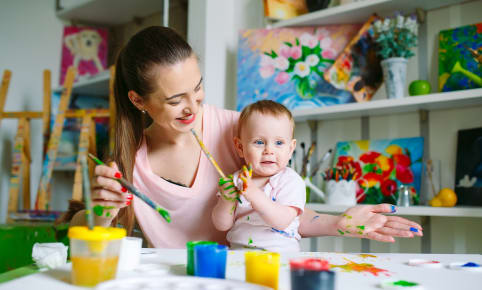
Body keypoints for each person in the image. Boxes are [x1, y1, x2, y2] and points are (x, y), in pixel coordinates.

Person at [70, 26, 423, 248]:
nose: (193, 108)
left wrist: (340, 223)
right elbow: (76, 234)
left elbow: (279, 214)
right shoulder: (128, 159)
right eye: (176, 101)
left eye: (198, 89)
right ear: (138, 100)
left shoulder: (240, 130)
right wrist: (101, 211)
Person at [212, 100, 305, 251]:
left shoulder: (290, 181)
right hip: (238, 254)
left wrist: (253, 193)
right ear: (240, 147)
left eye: (279, 143)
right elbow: (222, 225)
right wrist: (226, 200)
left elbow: (281, 221)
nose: (269, 150)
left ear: (291, 148)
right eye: (259, 142)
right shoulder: (236, 179)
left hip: (279, 257)